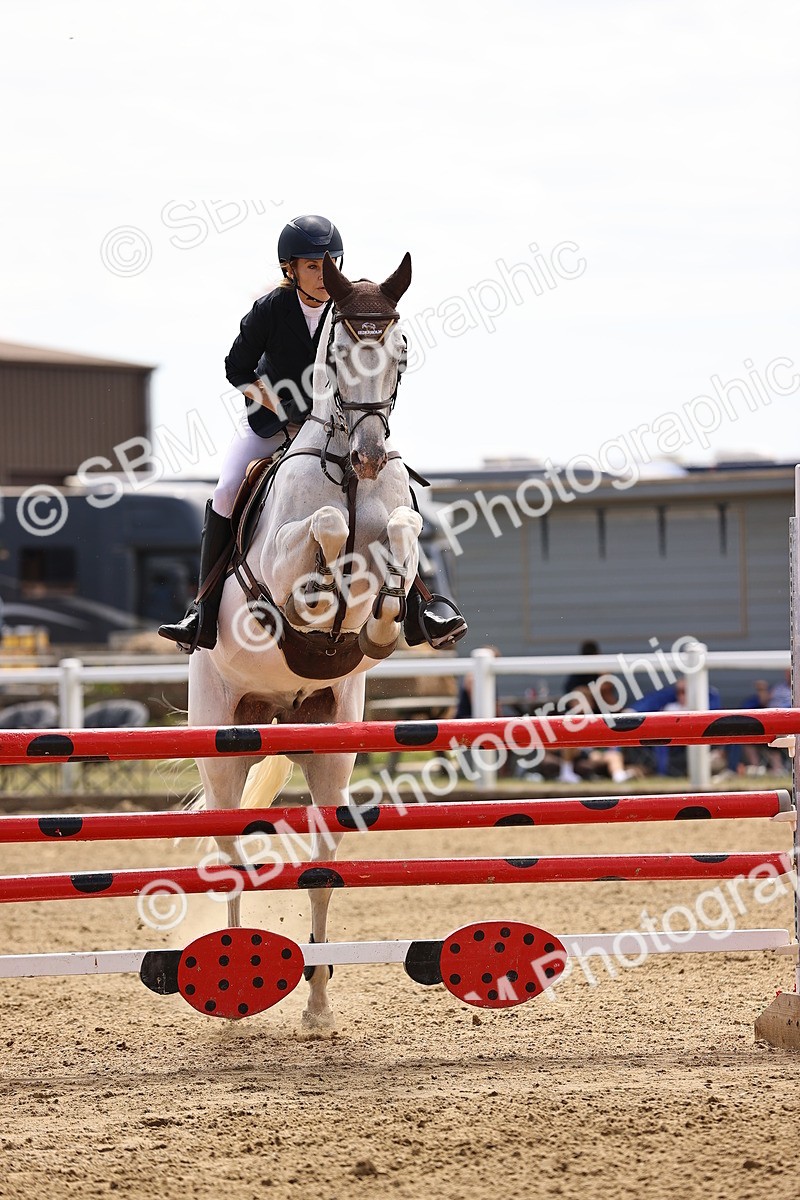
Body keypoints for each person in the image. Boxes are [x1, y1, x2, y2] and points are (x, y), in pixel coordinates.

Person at [159, 214, 467, 653]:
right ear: (290, 269)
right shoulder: (270, 310)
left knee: (397, 489)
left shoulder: (346, 311)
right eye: (311, 266)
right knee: (227, 489)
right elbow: (237, 370)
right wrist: (282, 408)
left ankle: (426, 605)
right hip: (272, 422)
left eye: (330, 263)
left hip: (338, 424)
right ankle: (202, 611)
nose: (324, 274)